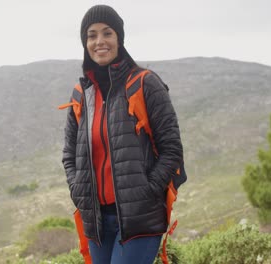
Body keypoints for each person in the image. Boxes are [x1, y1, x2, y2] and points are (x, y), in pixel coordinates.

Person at [61, 5, 184, 264]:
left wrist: (147, 191)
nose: (99, 41)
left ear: (119, 38)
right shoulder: (81, 94)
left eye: (107, 33)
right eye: (92, 35)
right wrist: (77, 190)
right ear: (85, 43)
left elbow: (171, 148)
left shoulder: (145, 83)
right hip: (96, 222)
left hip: (138, 219)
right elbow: (69, 155)